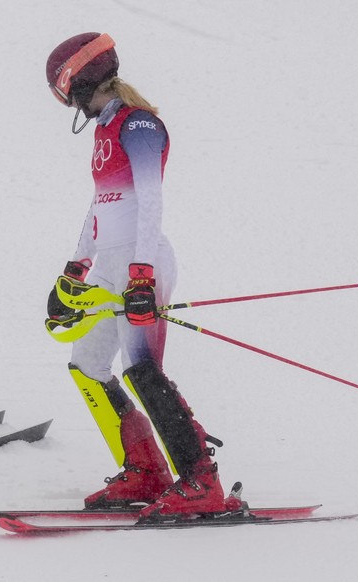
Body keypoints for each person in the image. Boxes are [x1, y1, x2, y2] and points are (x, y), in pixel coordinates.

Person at [45, 32, 236, 517]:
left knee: (141, 368)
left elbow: (150, 201)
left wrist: (142, 275)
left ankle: (200, 481)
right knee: (86, 363)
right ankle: (145, 469)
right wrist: (73, 268)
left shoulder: (141, 125)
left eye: (67, 91)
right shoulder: (104, 132)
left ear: (81, 80)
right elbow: (101, 204)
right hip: (110, 265)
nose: (69, 102)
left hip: (141, 262)